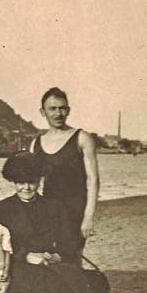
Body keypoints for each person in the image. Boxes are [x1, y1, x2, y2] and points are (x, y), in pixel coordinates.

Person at [0, 152, 105, 293]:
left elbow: (69, 241)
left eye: (32, 182)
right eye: (21, 182)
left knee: (69, 280)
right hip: (19, 262)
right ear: (13, 182)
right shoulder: (3, 209)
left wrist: (58, 256)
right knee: (32, 284)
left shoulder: (55, 206)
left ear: (39, 181)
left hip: (52, 261)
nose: (26, 187)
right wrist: (26, 256)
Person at [31, 87, 99, 259]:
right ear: (42, 112)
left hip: (75, 209)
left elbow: (93, 180)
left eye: (62, 108)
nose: (58, 113)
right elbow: (31, 182)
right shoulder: (36, 143)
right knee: (50, 257)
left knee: (72, 256)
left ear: (68, 110)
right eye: (52, 109)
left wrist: (88, 216)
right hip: (48, 209)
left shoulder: (82, 138)